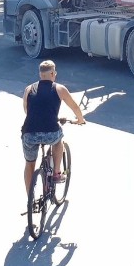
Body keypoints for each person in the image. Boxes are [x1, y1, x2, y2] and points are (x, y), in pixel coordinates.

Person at [21, 60, 85, 195]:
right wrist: (80, 119)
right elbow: (74, 107)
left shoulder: (28, 89)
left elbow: (27, 110)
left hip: (29, 133)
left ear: (40, 74)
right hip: (50, 132)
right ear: (52, 73)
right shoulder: (59, 89)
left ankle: (30, 199)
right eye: (54, 73)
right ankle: (56, 172)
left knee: (29, 164)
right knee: (58, 140)